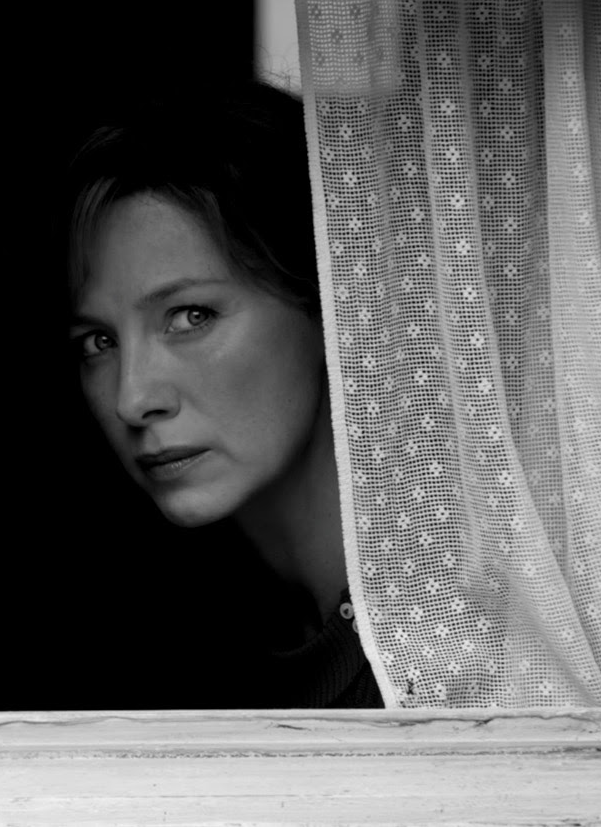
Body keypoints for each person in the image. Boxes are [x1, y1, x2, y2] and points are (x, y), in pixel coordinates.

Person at [62, 83, 382, 708]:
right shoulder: (176, 644)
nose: (133, 400)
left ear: (329, 306)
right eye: (99, 341)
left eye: (190, 316)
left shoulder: (463, 659)